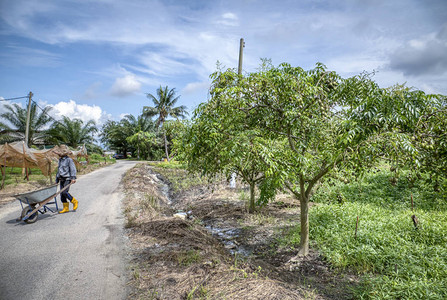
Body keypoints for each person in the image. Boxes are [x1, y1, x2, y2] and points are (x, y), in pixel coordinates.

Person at [55, 145, 78, 213]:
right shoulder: (60, 160)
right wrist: (56, 180)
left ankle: (74, 201)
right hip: (61, 178)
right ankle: (66, 208)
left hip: (67, 178)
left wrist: (73, 178)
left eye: (59, 153)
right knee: (62, 194)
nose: (58, 154)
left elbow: (73, 169)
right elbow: (59, 170)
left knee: (64, 192)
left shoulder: (69, 160)